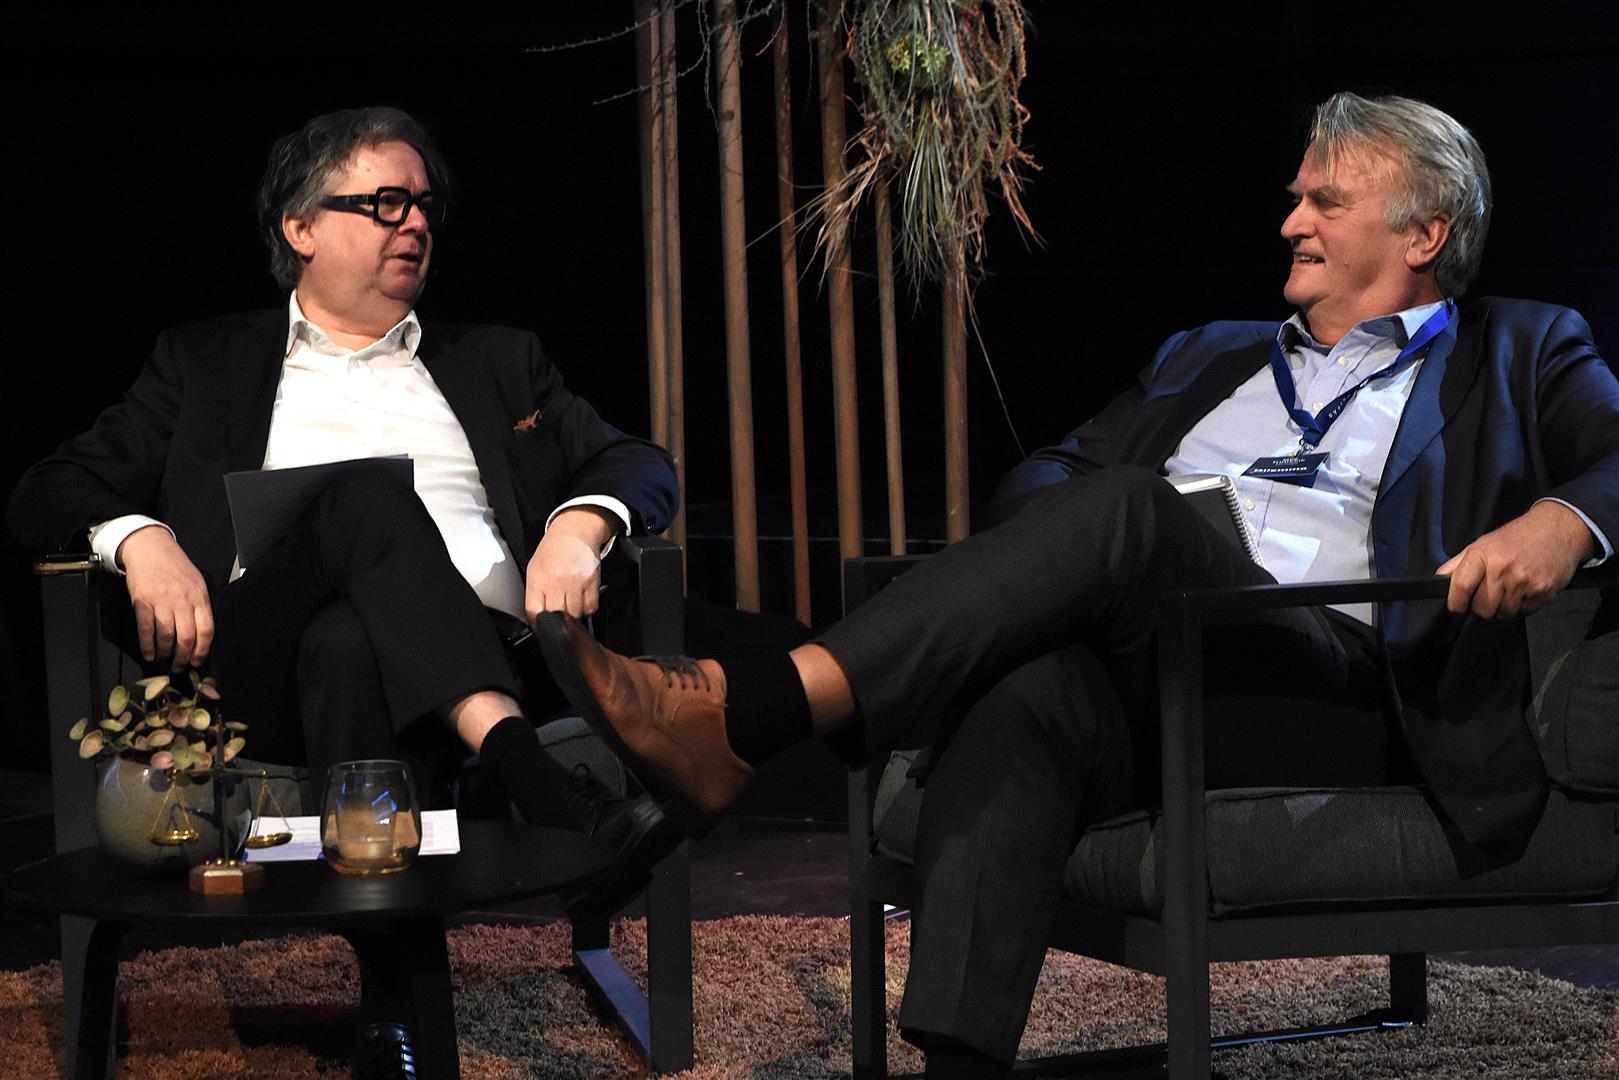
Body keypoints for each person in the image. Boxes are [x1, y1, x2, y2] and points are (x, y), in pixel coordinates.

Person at [534, 92, 1619, 1078]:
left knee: (1131, 506)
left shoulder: (1519, 349)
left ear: (1423, 235)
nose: (1290, 222)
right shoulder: (1208, 354)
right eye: (1294, 198)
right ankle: (959, 1065)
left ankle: (758, 710)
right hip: (1155, 665)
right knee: (1029, 690)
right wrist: (1100, 550)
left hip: (1335, 680)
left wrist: (1558, 523)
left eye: (1323, 202)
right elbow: (1047, 477)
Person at [7, 105, 682, 912]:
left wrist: (579, 527)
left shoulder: (497, 358)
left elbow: (639, 461)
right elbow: (50, 486)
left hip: (486, 654)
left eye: (424, 204)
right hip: (260, 670)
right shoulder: (205, 362)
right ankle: (536, 781)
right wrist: (140, 538)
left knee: (350, 638)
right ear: (300, 228)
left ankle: (391, 972)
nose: (415, 223)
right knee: (364, 494)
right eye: (385, 203)